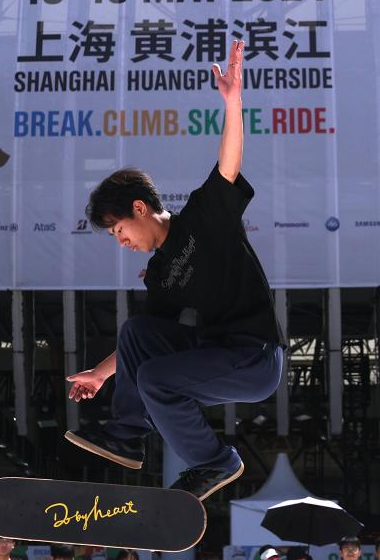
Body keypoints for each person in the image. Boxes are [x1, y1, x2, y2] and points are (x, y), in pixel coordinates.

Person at [63, 39, 286, 501]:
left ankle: (215, 461)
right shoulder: (160, 273)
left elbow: (228, 165)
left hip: (256, 357)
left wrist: (233, 102)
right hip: (216, 350)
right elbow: (139, 348)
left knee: (156, 379)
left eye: (119, 230)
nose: (121, 241)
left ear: (139, 208)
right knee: (137, 333)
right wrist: (100, 375)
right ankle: (126, 436)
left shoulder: (205, 218)